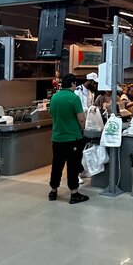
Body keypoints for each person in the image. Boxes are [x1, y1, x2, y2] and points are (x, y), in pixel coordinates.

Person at [48, 73, 88, 204]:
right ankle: (74, 194)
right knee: (73, 166)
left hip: (57, 138)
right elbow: (81, 118)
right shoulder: (74, 98)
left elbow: (52, 113)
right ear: (72, 84)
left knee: (57, 165)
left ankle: (53, 191)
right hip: (72, 138)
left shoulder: (54, 97)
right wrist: (81, 128)